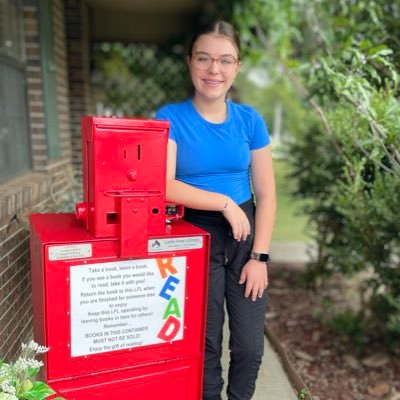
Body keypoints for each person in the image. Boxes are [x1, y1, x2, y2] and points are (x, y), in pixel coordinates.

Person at [156, 20, 276, 400]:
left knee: (249, 348)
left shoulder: (250, 120)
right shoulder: (169, 118)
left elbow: (267, 194)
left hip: (245, 238)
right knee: (204, 346)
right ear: (190, 62)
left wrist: (260, 256)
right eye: (204, 58)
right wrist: (223, 203)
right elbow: (164, 184)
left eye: (225, 60)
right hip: (194, 236)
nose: (214, 69)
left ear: (236, 67)